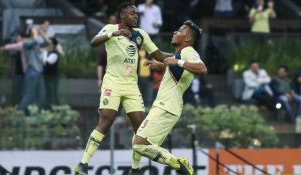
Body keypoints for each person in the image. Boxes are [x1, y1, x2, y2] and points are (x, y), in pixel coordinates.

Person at [74, 2, 172, 175]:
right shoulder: (111, 28)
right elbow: (93, 42)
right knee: (106, 121)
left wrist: (182, 57)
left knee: (140, 129)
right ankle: (82, 164)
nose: (136, 16)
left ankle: (135, 170)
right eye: (132, 13)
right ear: (123, 15)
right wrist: (114, 33)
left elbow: (159, 55)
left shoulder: (141, 35)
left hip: (131, 86)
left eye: (136, 13)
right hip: (112, 82)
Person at [132, 20, 207, 175]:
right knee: (142, 143)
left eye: (180, 31)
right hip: (166, 106)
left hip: (166, 106)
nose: (175, 32)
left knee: (139, 145)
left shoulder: (188, 52)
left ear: (187, 39)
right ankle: (136, 171)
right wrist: (162, 65)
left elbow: (202, 69)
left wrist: (177, 62)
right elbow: (175, 66)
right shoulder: (180, 54)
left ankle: (179, 163)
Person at [0, 33, 27, 105]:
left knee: (22, 89)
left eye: (18, 38)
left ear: (23, 38)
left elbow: (15, 46)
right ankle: (17, 104)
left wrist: (4, 47)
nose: (16, 40)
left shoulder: (24, 45)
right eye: (16, 38)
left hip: (24, 72)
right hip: (18, 72)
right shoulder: (17, 48)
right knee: (17, 89)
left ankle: (21, 104)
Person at [42, 37, 60, 108]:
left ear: (53, 45)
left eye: (50, 43)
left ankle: (57, 108)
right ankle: (47, 107)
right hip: (46, 77)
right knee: (48, 93)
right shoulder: (47, 52)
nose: (48, 44)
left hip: (53, 77)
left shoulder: (54, 54)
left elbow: (46, 62)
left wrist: (44, 52)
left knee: (54, 93)